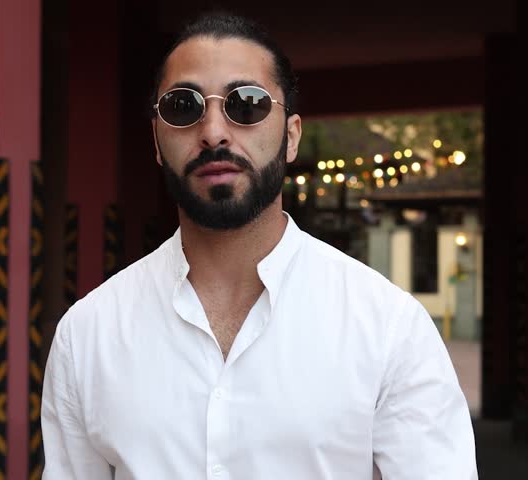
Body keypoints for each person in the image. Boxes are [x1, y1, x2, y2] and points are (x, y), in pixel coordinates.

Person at [42, 12, 477, 479]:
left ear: (290, 136)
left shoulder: (387, 327)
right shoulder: (88, 335)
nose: (213, 132)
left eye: (245, 104)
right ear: (156, 138)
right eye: (183, 106)